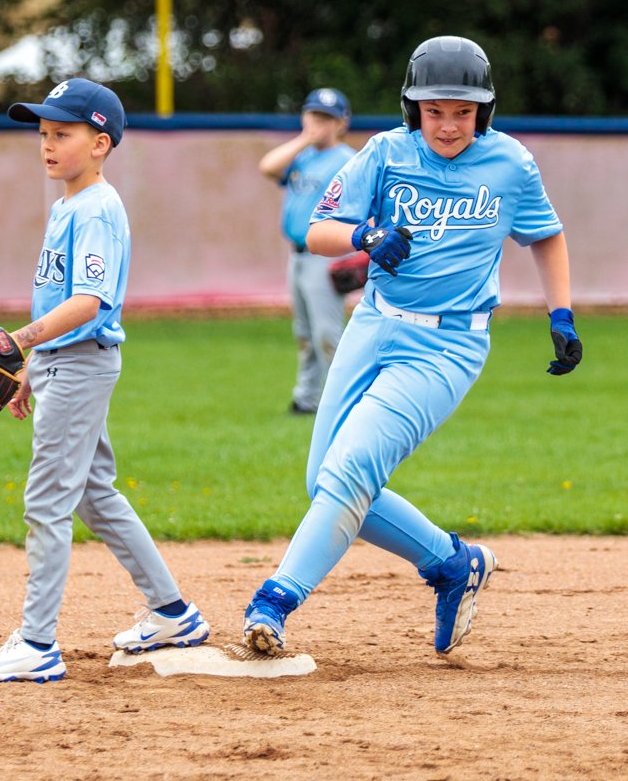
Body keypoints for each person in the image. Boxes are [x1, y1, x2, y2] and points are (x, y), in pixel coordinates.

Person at [241, 36, 583, 657]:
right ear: (411, 109)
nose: (449, 124)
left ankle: (276, 600)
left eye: (463, 110)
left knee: (350, 471)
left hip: (447, 346)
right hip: (373, 324)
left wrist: (561, 313)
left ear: (485, 111)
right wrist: (365, 234)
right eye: (434, 110)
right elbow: (320, 231)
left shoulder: (511, 165)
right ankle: (453, 565)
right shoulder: (385, 153)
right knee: (326, 480)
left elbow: (546, 237)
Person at [0, 78, 210, 683]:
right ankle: (174, 613)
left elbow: (91, 301)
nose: (47, 144)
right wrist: (30, 367)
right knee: (95, 494)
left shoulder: (98, 208)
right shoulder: (67, 204)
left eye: (62, 134)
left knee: (47, 501)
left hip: (81, 361)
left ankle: (37, 644)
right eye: (43, 133)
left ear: (100, 143)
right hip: (63, 363)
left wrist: (20, 341)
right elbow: (62, 300)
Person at [256, 88, 357, 414]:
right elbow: (268, 167)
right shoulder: (302, 156)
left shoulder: (348, 160)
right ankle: (307, 398)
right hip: (297, 254)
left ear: (342, 122)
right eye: (314, 115)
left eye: (326, 118)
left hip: (327, 256)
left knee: (327, 334)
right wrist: (304, 139)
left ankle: (340, 400)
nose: (319, 123)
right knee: (304, 334)